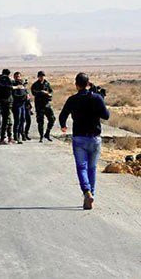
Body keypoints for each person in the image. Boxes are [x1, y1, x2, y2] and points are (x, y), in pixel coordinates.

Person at [59, 73, 110, 210]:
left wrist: (63, 125)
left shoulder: (72, 99)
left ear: (76, 85)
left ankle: (87, 192)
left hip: (79, 138)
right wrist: (100, 99)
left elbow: (63, 115)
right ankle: (91, 194)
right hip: (94, 138)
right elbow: (106, 116)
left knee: (82, 167)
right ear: (88, 84)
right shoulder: (96, 98)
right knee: (92, 168)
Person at [31, 70, 56, 142]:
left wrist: (49, 94)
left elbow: (51, 91)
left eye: (43, 76)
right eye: (40, 76)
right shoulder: (35, 84)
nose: (42, 77)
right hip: (39, 105)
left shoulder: (47, 83)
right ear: (38, 77)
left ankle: (47, 133)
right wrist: (41, 92)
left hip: (46, 104)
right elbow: (33, 92)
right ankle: (41, 136)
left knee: (52, 119)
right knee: (40, 121)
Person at [0, 69, 14, 144]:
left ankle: (6, 138)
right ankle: (3, 138)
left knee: (5, 121)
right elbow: (10, 88)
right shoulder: (6, 79)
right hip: (6, 103)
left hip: (0, 102)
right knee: (6, 121)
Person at [11, 72, 28, 144]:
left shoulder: (22, 84)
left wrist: (27, 97)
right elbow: (14, 95)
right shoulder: (13, 85)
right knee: (17, 120)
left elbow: (25, 92)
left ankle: (22, 134)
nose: (18, 78)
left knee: (23, 120)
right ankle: (16, 137)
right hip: (16, 105)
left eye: (19, 76)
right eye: (16, 77)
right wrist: (23, 97)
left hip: (23, 104)